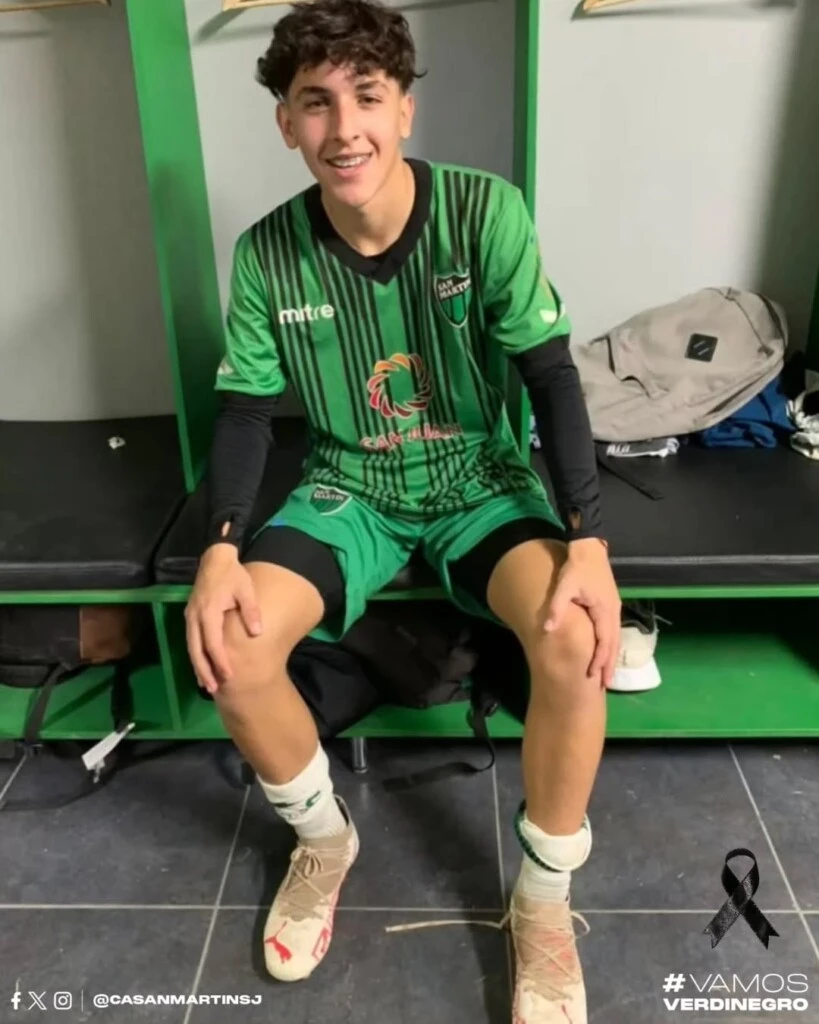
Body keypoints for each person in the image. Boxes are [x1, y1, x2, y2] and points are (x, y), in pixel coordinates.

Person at [185, 1, 620, 1019]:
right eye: (316, 103)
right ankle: (323, 840)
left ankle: (542, 902)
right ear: (286, 123)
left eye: (367, 98)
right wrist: (220, 547)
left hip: (479, 477)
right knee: (233, 645)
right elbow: (245, 413)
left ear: (405, 110)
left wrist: (589, 539)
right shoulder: (267, 254)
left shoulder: (484, 211)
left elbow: (552, 377)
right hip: (352, 485)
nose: (345, 130)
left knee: (574, 635)